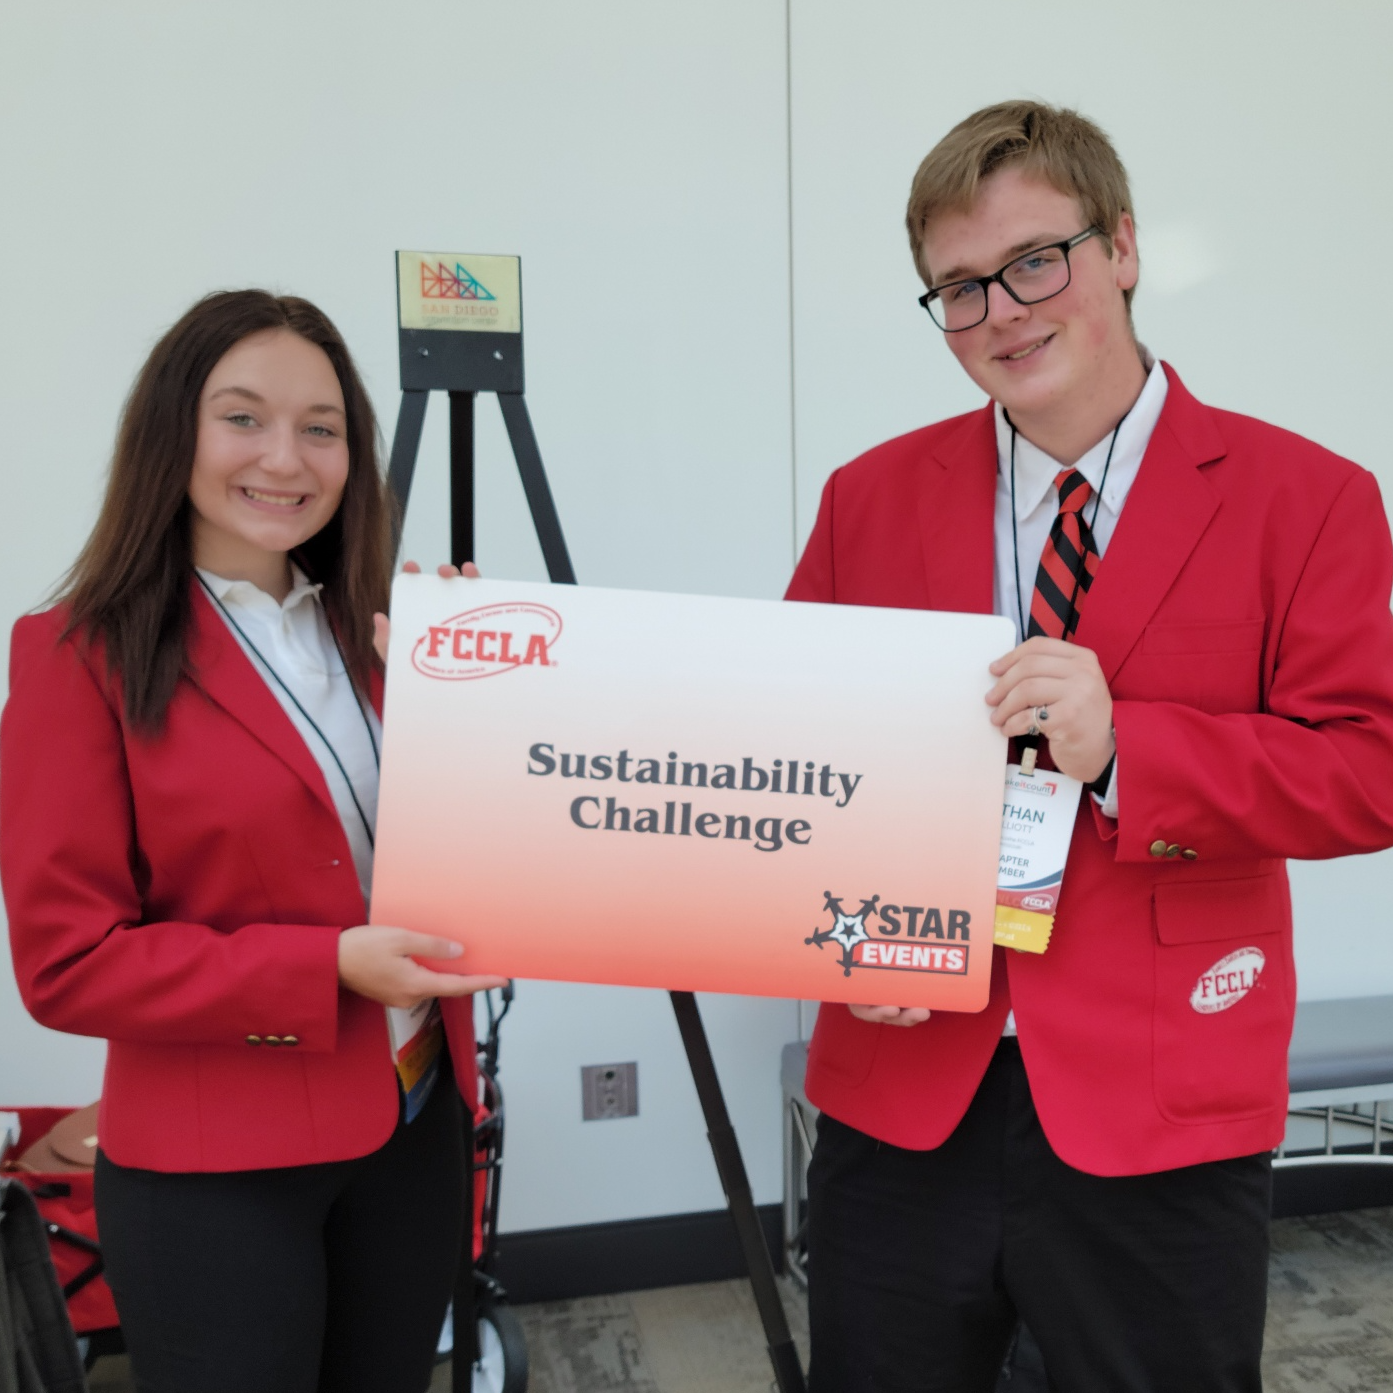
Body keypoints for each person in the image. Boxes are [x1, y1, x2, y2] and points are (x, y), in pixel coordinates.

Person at [787, 101, 1393, 1392]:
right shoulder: (866, 497)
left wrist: (1128, 748)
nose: (1000, 311)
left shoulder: (1309, 498)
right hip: (903, 1085)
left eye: (1032, 261)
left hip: (1155, 1093)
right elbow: (800, 764)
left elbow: (1366, 771)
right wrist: (827, 930)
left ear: (1122, 246)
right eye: (957, 287)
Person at [0, 290, 505, 1393]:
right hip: (217, 1170)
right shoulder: (76, 654)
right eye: (243, 417)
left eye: (321, 427)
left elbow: (461, 850)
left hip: (413, 1122)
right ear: (171, 431)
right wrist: (326, 967)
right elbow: (67, 961)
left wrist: (486, 697)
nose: (286, 457)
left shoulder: (381, 632)